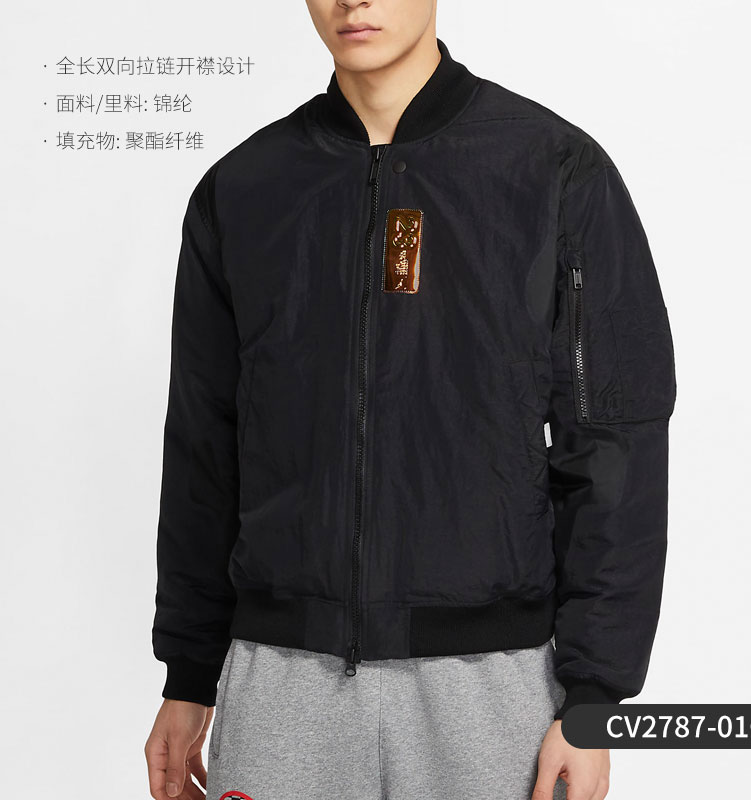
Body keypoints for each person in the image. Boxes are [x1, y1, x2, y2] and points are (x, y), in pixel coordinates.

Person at [144, 2, 677, 799]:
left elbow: (615, 443)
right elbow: (203, 444)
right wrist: (188, 674)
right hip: (282, 680)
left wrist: (595, 694)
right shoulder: (244, 188)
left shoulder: (553, 172)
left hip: (490, 688)